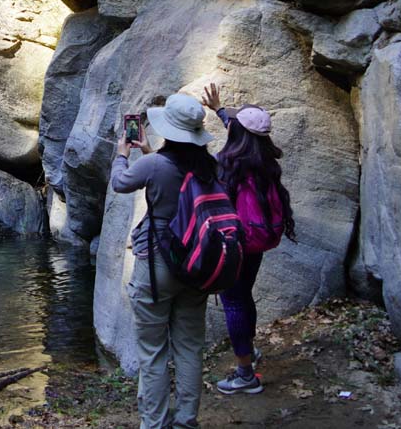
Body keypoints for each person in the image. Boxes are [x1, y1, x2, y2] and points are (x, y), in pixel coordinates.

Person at [111, 93, 218, 429]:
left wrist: (122, 154)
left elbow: (120, 183)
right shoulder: (208, 166)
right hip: (197, 263)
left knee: (153, 350)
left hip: (157, 264)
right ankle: (186, 420)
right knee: (189, 347)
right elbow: (175, 177)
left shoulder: (155, 165)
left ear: (169, 129)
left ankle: (154, 424)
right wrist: (146, 149)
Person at [201, 83, 296, 396]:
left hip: (236, 244)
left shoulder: (228, 164)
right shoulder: (264, 157)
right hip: (258, 242)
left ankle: (245, 375)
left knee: (233, 302)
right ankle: (249, 352)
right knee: (244, 294)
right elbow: (238, 127)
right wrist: (219, 110)